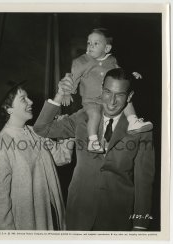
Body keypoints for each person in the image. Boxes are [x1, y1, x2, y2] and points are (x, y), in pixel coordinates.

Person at [33, 67, 155, 231]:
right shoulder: (83, 117)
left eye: (119, 95)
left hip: (117, 218)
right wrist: (59, 95)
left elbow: (144, 183)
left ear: (130, 96)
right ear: (101, 90)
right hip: (79, 213)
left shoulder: (141, 130)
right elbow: (42, 129)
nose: (111, 101)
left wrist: (140, 226)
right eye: (107, 92)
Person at [0, 80, 74, 230]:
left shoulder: (35, 132)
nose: (31, 101)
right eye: (23, 99)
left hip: (48, 219)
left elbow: (61, 157)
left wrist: (68, 133)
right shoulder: (0, 146)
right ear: (8, 109)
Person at [61, 28, 152, 153]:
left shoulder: (112, 60)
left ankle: (133, 121)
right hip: (91, 100)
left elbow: (120, 74)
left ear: (107, 49)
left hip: (108, 97)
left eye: (96, 43)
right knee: (95, 115)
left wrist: (131, 75)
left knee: (126, 101)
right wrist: (67, 92)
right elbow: (72, 77)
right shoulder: (82, 62)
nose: (90, 46)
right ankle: (93, 141)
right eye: (89, 43)